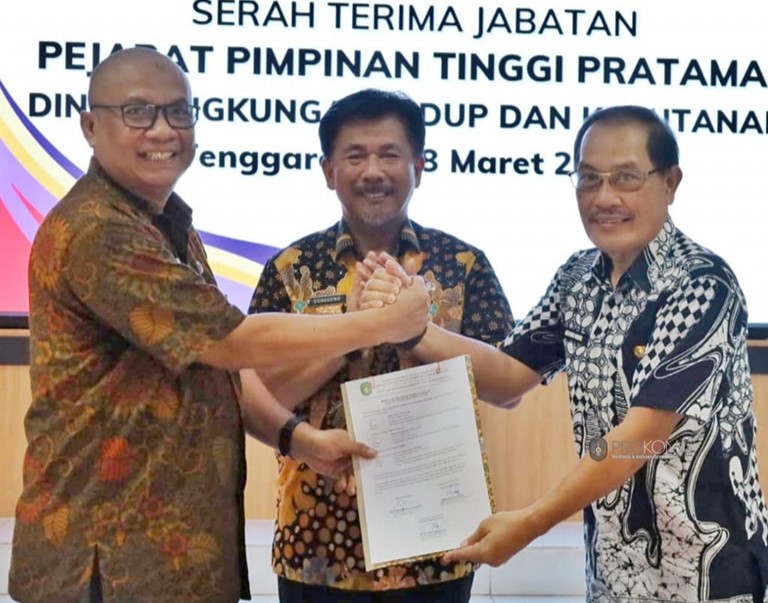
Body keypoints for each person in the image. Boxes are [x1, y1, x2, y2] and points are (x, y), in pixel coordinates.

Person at [8, 49, 430, 603]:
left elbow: (214, 370)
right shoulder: (99, 229)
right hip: (108, 562)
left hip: (173, 558)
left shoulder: (167, 225)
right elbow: (233, 343)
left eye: (178, 112)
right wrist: (379, 323)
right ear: (90, 126)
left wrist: (296, 438)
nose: (163, 130)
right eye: (137, 112)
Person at [363, 105, 768, 602]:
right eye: (589, 178)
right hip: (612, 575)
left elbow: (641, 438)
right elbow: (506, 377)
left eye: (626, 178)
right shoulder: (578, 279)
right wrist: (412, 329)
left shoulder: (702, 284)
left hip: (708, 574)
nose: (605, 197)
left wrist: (532, 521)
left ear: (670, 182)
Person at [248, 88, 515, 602]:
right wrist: (355, 330)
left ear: (419, 166)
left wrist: (414, 331)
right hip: (316, 545)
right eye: (355, 156)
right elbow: (259, 398)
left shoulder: (463, 265)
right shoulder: (290, 269)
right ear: (329, 172)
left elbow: (507, 387)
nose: (373, 171)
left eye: (390, 154)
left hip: (438, 544)